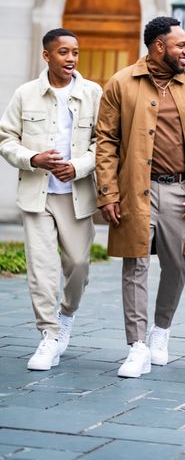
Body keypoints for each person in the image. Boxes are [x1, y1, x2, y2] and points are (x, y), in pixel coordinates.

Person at [96, 16, 185, 378]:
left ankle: (160, 331)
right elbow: (105, 141)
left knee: (177, 263)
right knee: (134, 264)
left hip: (181, 190)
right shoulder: (121, 83)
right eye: (180, 45)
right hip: (135, 188)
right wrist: (107, 191)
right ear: (158, 47)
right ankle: (136, 346)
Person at [0, 29, 101, 370]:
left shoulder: (93, 93)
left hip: (76, 195)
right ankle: (49, 335)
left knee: (78, 266)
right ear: (47, 56)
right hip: (37, 195)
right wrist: (33, 159)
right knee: (42, 270)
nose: (71, 58)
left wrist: (79, 166)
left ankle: (66, 314)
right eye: (63, 52)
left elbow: (104, 143)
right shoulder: (25, 94)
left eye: (75, 52)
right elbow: (5, 139)